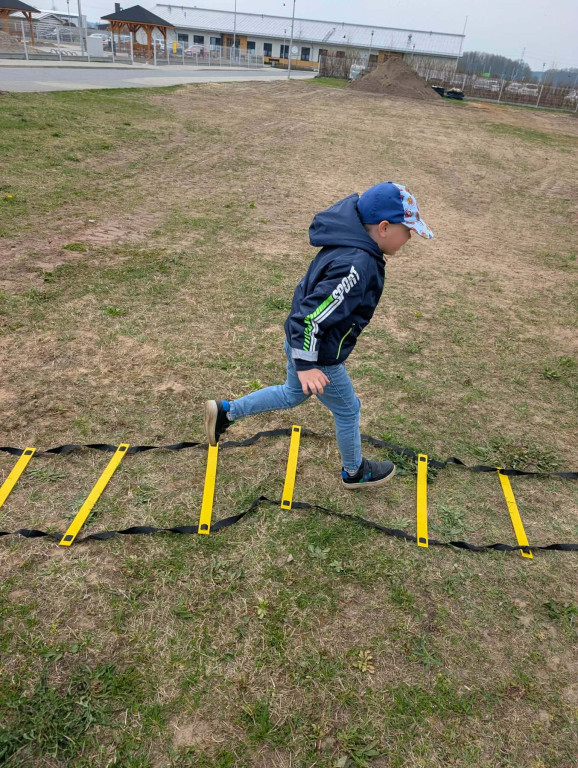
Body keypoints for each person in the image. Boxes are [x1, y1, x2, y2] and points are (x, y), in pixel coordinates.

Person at [204, 181, 433, 489]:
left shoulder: (351, 244)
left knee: (290, 394)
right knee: (349, 409)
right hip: (316, 353)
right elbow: (309, 318)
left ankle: (226, 412)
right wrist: (308, 365)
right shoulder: (356, 264)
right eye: (407, 231)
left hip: (303, 345)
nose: (409, 238)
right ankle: (355, 472)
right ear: (383, 227)